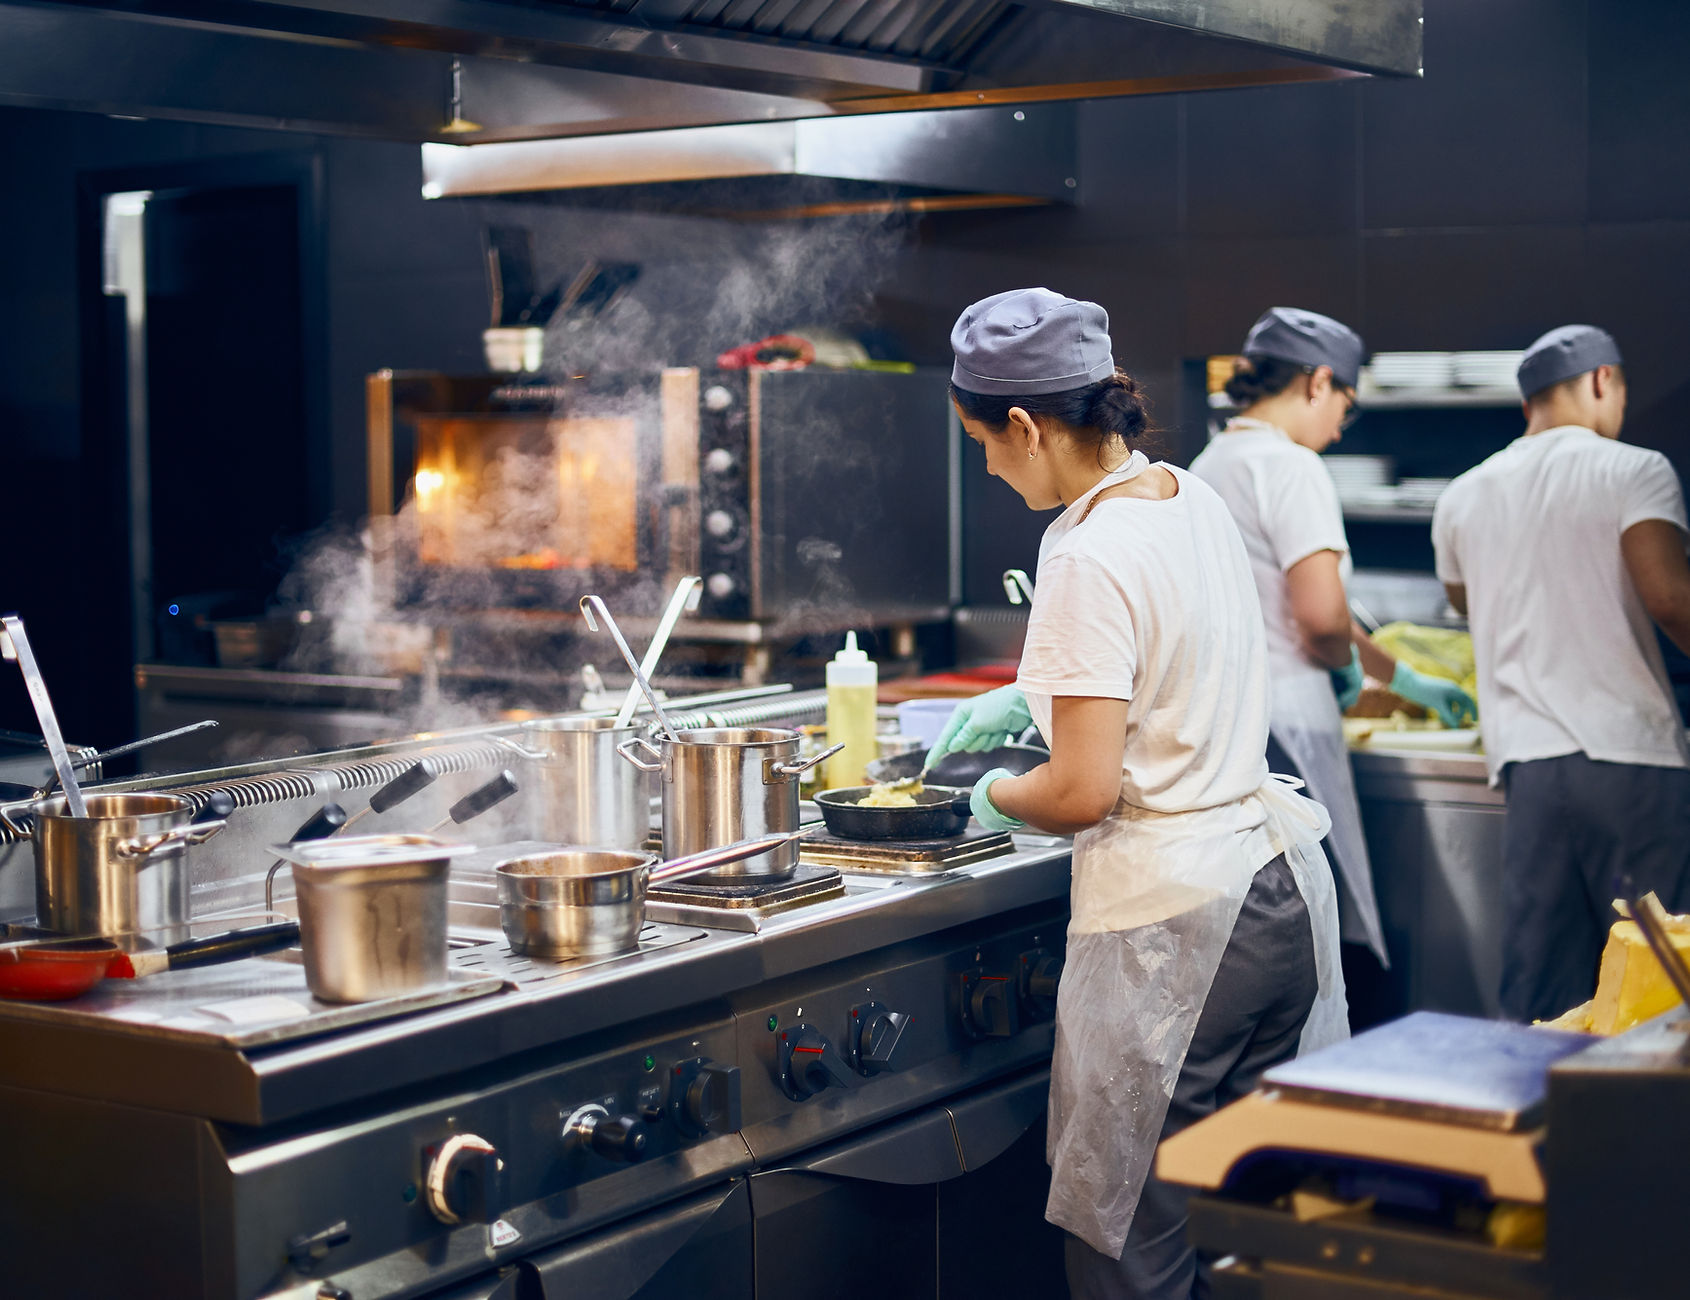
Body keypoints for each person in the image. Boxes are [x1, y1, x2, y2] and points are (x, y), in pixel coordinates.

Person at [925, 287, 1348, 1299]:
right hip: (1275, 892)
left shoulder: (1084, 551)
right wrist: (1029, 695)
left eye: (983, 444)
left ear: (1025, 425)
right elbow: (1168, 663)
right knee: (1239, 1238)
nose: (988, 468)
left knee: (1130, 1248)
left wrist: (992, 795)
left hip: (1178, 933)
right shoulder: (1184, 493)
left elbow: (1081, 790)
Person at [1188, 307, 1477, 992]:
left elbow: (1296, 610)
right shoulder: (1292, 467)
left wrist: (1399, 676)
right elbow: (1320, 620)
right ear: (1318, 382)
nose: (1343, 425)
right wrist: (1344, 668)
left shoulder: (1206, 464)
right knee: (1317, 918)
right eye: (1346, 403)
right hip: (1290, 725)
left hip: (1224, 722)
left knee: (1255, 923)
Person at [1432, 324, 1690, 1023]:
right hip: (1631, 758)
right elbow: (1670, 598)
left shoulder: (1463, 495)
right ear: (1604, 381)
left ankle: (1532, 1097)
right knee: (1654, 984)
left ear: (1529, 404)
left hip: (1531, 767)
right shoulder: (1635, 470)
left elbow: (1466, 601)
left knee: (1543, 992)